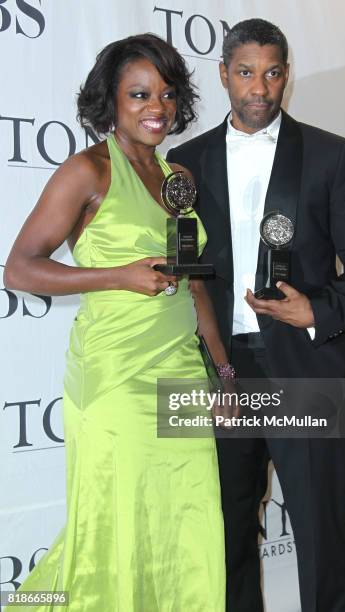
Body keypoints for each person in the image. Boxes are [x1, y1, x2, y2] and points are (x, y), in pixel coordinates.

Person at [167, 18, 345, 612]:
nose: (259, 89)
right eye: (245, 73)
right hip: (218, 374)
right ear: (223, 75)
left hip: (310, 369)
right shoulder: (181, 163)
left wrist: (317, 310)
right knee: (222, 537)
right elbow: (181, 274)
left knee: (323, 536)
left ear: (286, 76)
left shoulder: (329, 154)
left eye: (271, 74)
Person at [4, 34, 227, 612]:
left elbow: (194, 281)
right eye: (140, 94)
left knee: (186, 523)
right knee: (118, 533)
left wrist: (222, 370)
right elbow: (19, 269)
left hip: (181, 375)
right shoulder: (87, 171)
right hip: (115, 380)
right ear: (111, 100)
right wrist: (116, 275)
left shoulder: (177, 176)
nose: (159, 107)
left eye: (168, 94)